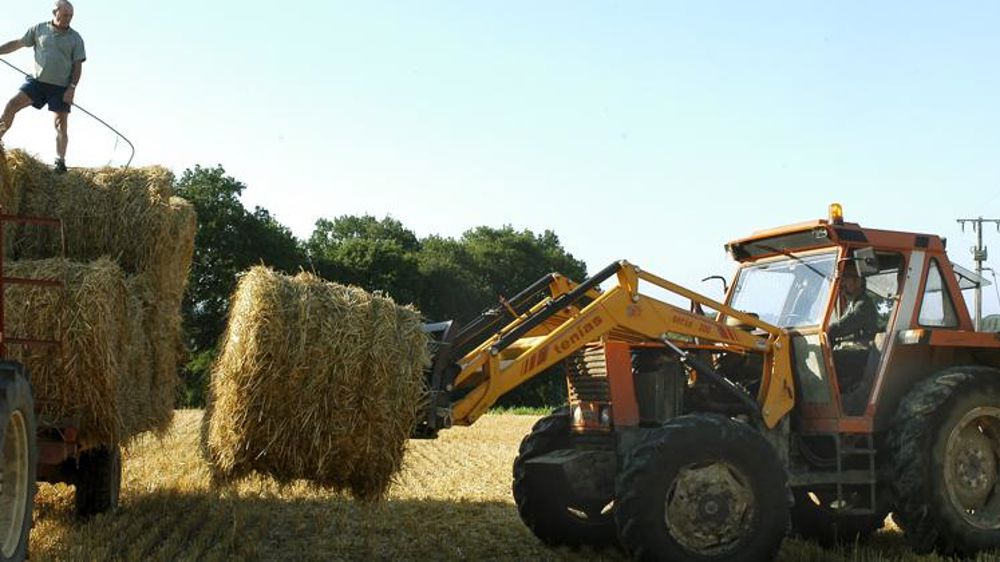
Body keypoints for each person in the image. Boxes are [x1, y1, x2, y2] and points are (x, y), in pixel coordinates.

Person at [0, 1, 86, 174]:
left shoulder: (75, 38)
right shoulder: (39, 29)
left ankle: (60, 162)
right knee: (12, 104)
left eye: (71, 16)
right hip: (37, 82)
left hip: (61, 87)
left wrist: (72, 88)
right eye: (65, 15)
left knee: (61, 124)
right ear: (55, 13)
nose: (68, 18)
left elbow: (78, 66)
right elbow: (18, 43)